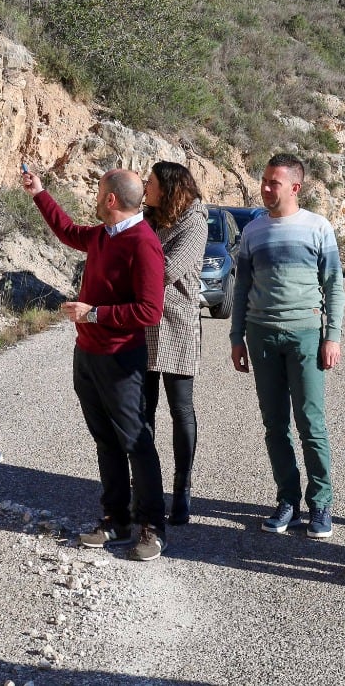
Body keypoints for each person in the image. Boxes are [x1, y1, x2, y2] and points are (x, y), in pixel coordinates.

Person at [22, 165, 168, 562]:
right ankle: (116, 519)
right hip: (87, 355)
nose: (94, 197)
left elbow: (150, 311)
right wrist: (40, 193)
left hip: (121, 360)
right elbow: (68, 232)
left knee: (136, 442)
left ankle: (153, 527)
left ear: (110, 200)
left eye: (98, 191)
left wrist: (94, 315)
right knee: (106, 442)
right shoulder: (105, 235)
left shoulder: (143, 243)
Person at [229, 153, 345, 539]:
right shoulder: (253, 232)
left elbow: (334, 286)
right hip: (261, 335)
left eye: (272, 183)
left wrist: (333, 336)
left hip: (306, 335)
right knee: (274, 424)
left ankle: (322, 504)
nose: (265, 188)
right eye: (264, 180)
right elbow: (242, 288)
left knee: (311, 422)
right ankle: (288, 501)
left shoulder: (317, 227)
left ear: (294, 187)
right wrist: (236, 337)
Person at [141, 161, 209, 526]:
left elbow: (167, 270)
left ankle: (182, 489)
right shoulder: (149, 217)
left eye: (150, 183)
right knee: (142, 407)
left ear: (168, 187)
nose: (145, 187)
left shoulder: (194, 220)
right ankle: (147, 486)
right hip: (143, 319)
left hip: (178, 322)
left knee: (180, 409)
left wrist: (132, 261)